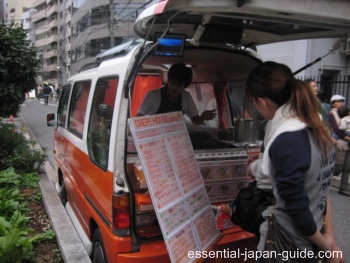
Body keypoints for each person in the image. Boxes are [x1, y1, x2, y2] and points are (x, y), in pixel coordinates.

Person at [245, 62, 343, 262]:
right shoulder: (316, 128)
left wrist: (327, 245)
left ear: (261, 102)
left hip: (289, 246)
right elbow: (323, 189)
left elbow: (295, 207)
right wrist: (329, 238)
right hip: (316, 235)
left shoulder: (286, 140)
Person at [137, 63, 217, 125]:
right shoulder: (152, 96)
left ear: (185, 85)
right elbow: (138, 119)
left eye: (179, 85)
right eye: (173, 83)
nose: (175, 88)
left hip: (177, 139)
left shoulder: (186, 97)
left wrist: (202, 117)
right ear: (168, 80)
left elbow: (195, 120)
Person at [329, 95, 350, 197]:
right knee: (338, 167)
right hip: (339, 143)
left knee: (347, 167)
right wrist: (347, 137)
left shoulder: (346, 112)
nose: (341, 103)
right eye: (338, 101)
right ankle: (323, 180)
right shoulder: (332, 113)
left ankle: (343, 188)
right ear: (333, 103)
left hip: (347, 143)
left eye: (342, 101)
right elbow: (336, 129)